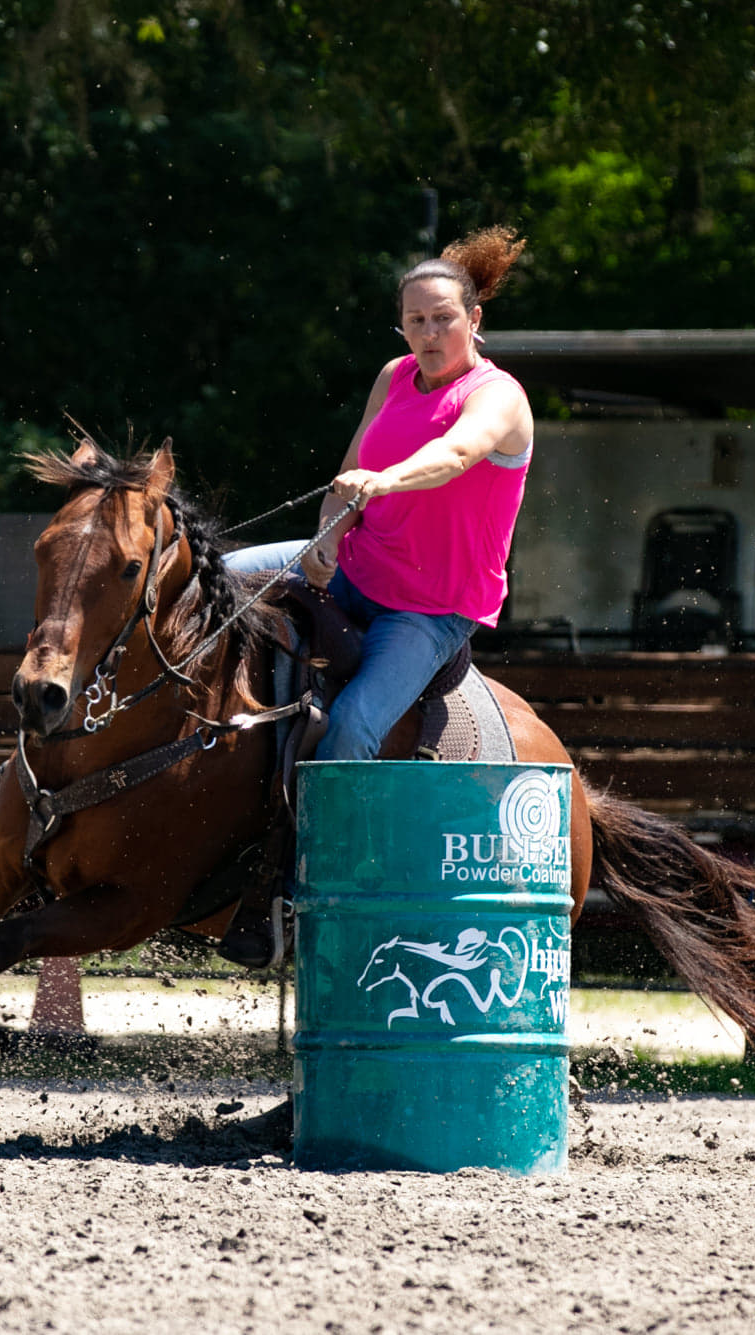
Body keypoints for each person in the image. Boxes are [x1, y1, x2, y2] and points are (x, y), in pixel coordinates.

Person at [218, 227, 534, 965]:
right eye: (416, 320)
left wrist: (383, 483)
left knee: (355, 726)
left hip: (429, 609)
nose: (429, 333)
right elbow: (346, 474)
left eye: (443, 319)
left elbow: (454, 453)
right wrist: (328, 534)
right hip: (356, 564)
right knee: (217, 580)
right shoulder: (393, 377)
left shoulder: (500, 396)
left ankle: (312, 891)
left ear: (474, 320)